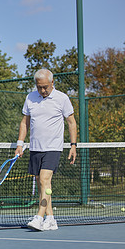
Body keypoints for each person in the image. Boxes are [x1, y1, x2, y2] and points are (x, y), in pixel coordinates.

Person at [15, 69, 77, 231]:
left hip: (53, 148)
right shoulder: (30, 97)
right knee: (42, 184)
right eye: (39, 87)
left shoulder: (62, 98)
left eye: (45, 87)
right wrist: (20, 144)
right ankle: (50, 219)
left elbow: (71, 122)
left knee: (44, 180)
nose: (42, 90)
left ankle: (39, 217)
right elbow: (24, 123)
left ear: (52, 83)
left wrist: (73, 145)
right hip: (35, 148)